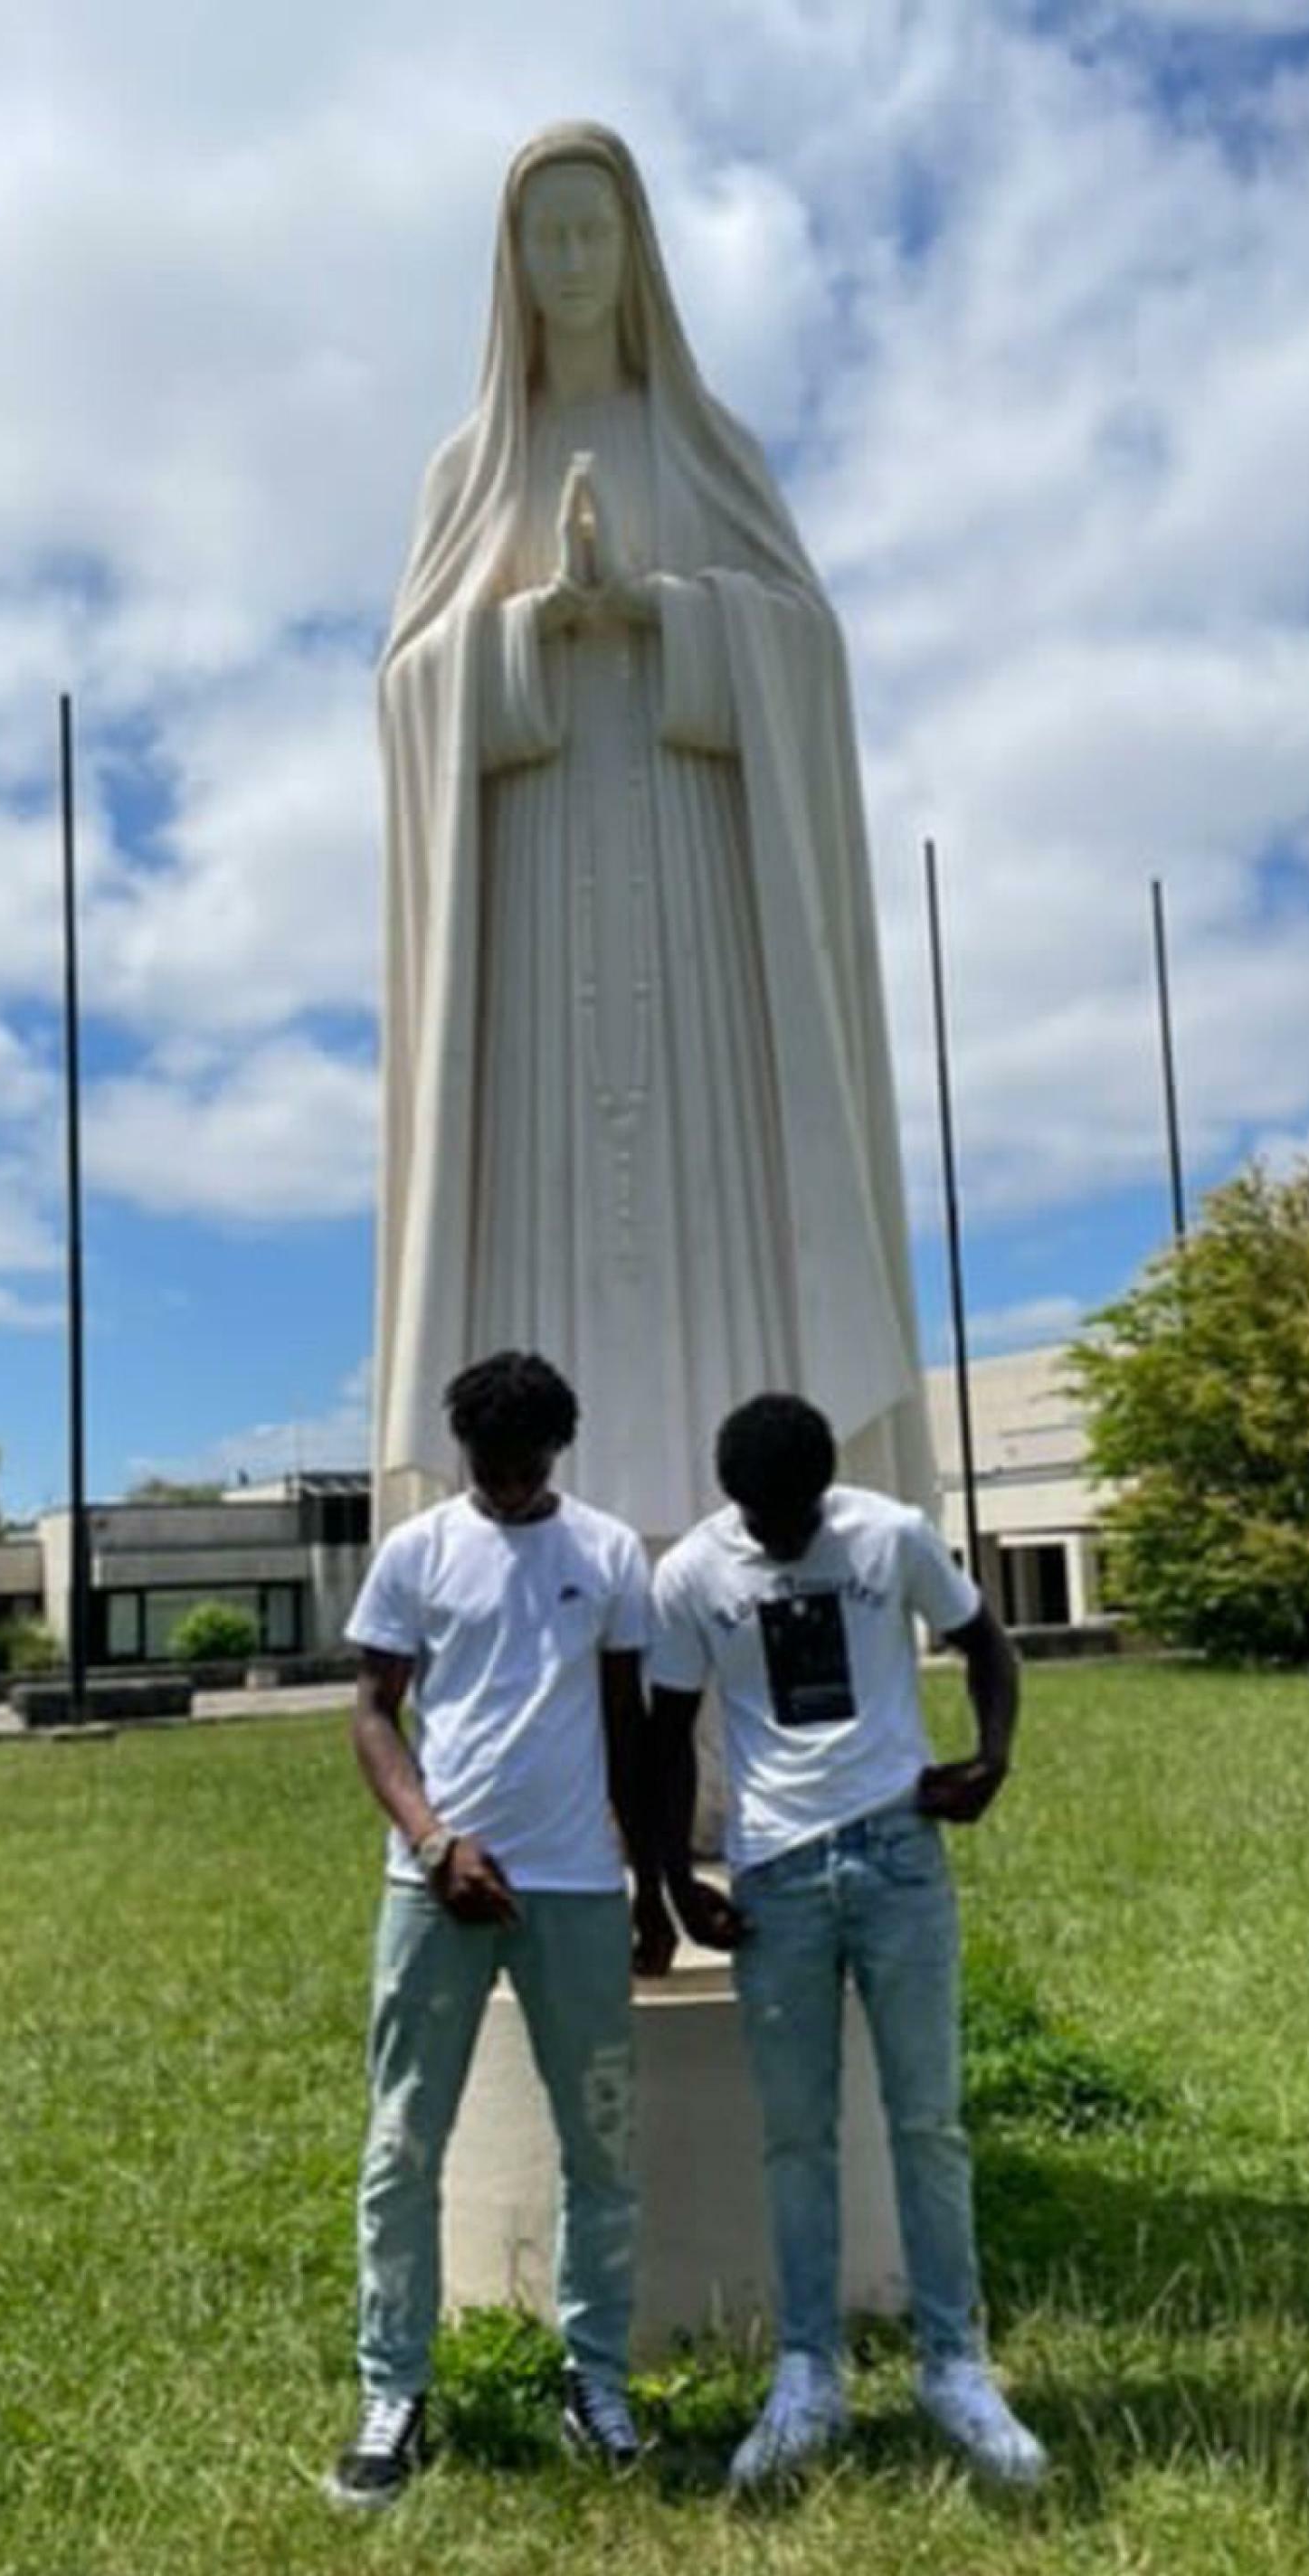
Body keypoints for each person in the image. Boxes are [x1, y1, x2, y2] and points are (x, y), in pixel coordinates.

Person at [370, 120, 935, 1554]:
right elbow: (405, 688)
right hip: (528, 910)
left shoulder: (708, 446)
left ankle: (748, 1534)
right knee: (541, 1201)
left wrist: (666, 614)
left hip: (699, 894)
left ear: (635, 252)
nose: (569, 260)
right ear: (510, 262)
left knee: (714, 1193)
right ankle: (538, 1548)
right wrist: (528, 631)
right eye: (544, 235)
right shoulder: (468, 474)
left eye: (592, 231)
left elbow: (810, 647)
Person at [647, 1393, 1049, 2492]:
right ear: (733, 1499)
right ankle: (807, 2375)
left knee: (929, 2122)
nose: (782, 1536)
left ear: (825, 1491)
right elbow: (666, 1733)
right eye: (762, 1519)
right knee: (796, 2136)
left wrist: (993, 1757)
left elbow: (987, 1644)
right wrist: (674, 1879)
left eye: (798, 1516)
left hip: (897, 1856)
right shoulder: (693, 1573)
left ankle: (954, 2365)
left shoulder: (889, 1534)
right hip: (774, 1877)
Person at [328, 1350, 691, 2510]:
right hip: (434, 1888)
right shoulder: (419, 1550)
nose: (511, 1483)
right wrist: (435, 1842)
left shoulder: (608, 1551)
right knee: (403, 2143)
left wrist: (652, 1888)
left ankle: (596, 2381)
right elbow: (373, 1713)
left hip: (575, 1887)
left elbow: (630, 1729)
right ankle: (393, 2389)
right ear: (465, 1453)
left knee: (602, 2143)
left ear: (558, 1450)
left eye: (529, 1463)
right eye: (491, 1464)